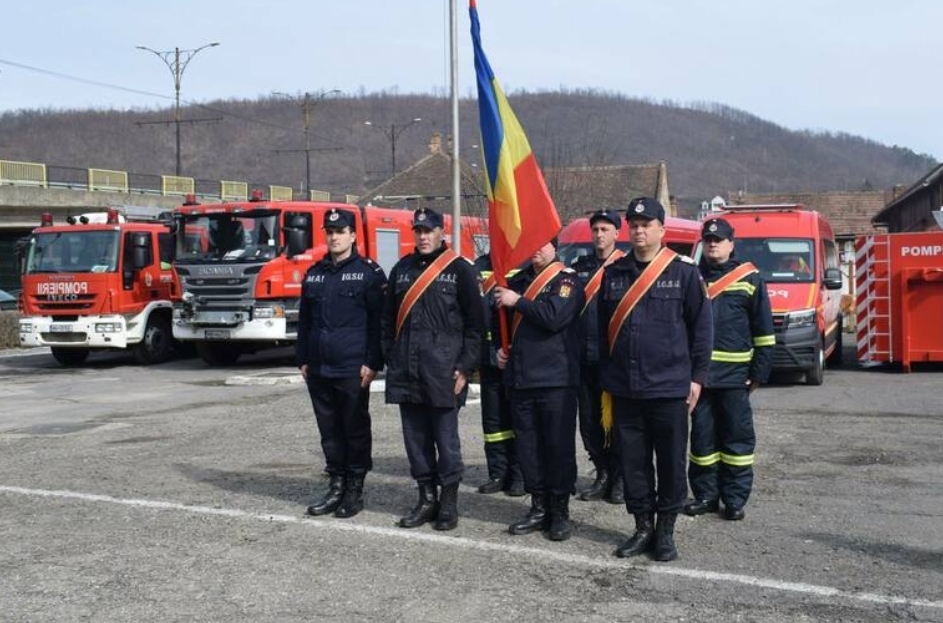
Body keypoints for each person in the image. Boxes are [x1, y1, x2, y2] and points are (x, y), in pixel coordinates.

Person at [598, 197, 712, 562]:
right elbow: (601, 330)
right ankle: (642, 526)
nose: (639, 230)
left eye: (647, 224)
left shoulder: (684, 272)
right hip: (626, 389)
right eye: (634, 223)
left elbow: (702, 329)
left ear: (662, 229)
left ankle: (665, 532)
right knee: (633, 463)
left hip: (668, 387)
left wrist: (697, 377)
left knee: (670, 462)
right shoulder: (614, 274)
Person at [382, 208, 484, 531]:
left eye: (429, 230)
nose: (423, 236)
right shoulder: (401, 270)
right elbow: (386, 321)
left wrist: (466, 367)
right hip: (406, 372)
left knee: (446, 442)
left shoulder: (460, 271)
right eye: (419, 231)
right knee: (416, 442)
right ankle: (426, 499)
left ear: (442, 232)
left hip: (444, 373)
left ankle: (449, 503)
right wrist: (391, 356)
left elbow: (476, 326)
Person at [297, 208, 387, 519]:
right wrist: (303, 359)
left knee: (354, 429)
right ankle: (335, 485)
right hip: (319, 368)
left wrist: (373, 361)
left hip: (352, 368)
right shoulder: (316, 273)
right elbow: (305, 321)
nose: (334, 237)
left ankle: (354, 490)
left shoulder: (368, 274)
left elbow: (379, 323)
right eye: (330, 231)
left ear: (353, 235)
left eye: (340, 231)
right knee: (329, 431)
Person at [495, 238, 585, 541]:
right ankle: (538, 506)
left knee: (557, 449)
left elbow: (554, 317)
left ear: (555, 247)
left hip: (556, 380)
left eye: (543, 242)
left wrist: (517, 301)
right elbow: (499, 322)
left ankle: (559, 511)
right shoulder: (517, 281)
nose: (537, 248)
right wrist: (498, 349)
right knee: (529, 448)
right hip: (521, 377)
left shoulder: (567, 281)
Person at [685, 217, 774, 521]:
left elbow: (764, 331)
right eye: (708, 240)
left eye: (719, 240)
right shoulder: (691, 278)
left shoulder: (750, 279)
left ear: (731, 244)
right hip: (700, 377)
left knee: (737, 440)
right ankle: (706, 496)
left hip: (736, 378)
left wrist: (760, 371)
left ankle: (734, 500)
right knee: (702, 441)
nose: (713, 244)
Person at [571, 208, 626, 504]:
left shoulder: (626, 268)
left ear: (617, 234)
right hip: (584, 359)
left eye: (606, 229)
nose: (599, 234)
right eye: (596, 229)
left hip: (614, 361)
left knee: (616, 422)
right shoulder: (579, 268)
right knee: (590, 422)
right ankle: (602, 472)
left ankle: (619, 477)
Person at [473, 254, 525, 497]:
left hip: (514, 356)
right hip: (488, 356)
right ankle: (497, 472)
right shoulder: (480, 266)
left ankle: (519, 473)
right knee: (493, 422)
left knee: (517, 419)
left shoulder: (523, 262)